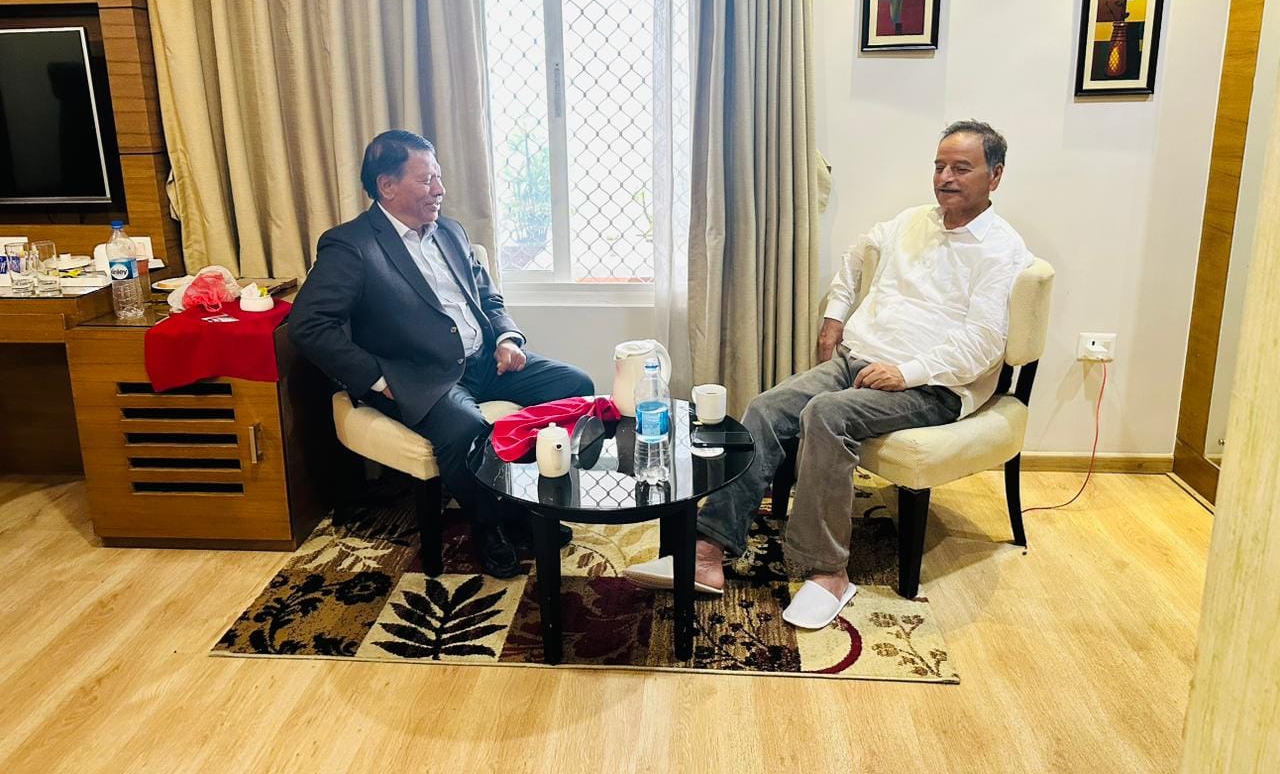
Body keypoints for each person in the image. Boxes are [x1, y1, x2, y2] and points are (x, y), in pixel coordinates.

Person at [624, 120, 1032, 629]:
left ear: (995, 176)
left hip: (932, 385)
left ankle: (829, 572)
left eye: (961, 168)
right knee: (766, 407)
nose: (945, 177)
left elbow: (983, 344)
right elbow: (856, 255)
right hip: (857, 360)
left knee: (826, 414)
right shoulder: (911, 222)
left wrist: (906, 372)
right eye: (939, 166)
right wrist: (835, 316)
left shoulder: (1001, 250)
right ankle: (708, 550)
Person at [290, 130, 594, 579]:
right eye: (426, 179)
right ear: (387, 185)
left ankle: (529, 501)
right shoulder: (351, 245)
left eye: (438, 177)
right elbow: (308, 324)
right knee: (467, 427)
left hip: (486, 360)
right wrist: (376, 378)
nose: (440, 189)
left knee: (576, 387)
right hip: (419, 376)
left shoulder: (451, 232)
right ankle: (492, 525)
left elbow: (488, 298)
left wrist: (508, 339)